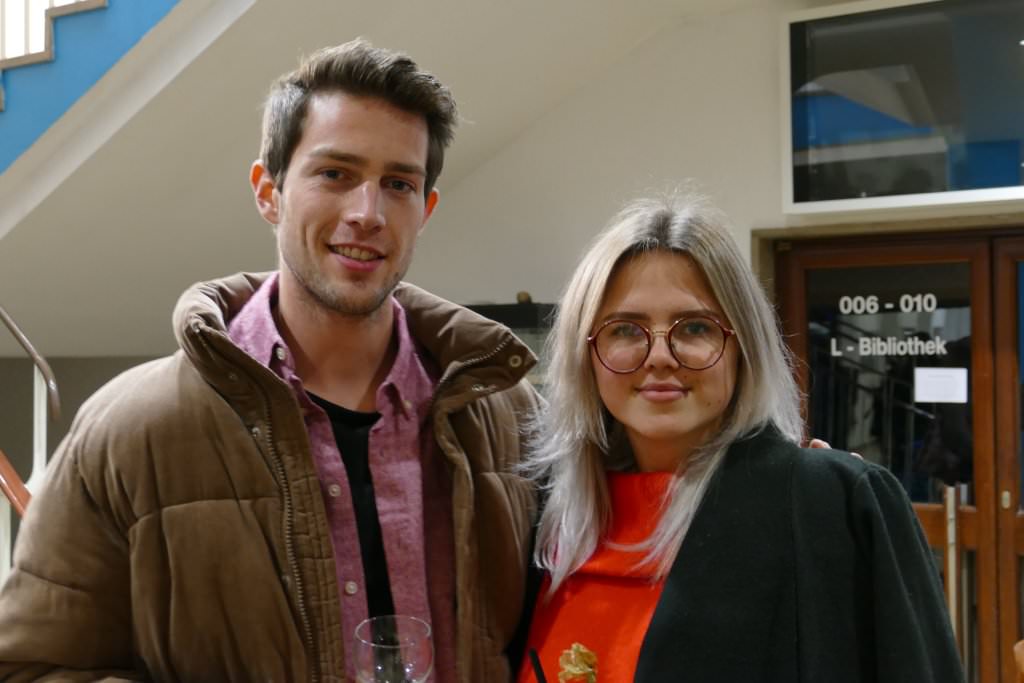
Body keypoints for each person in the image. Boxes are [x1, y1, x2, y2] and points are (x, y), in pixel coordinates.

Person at [0, 40, 543, 682]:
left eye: (398, 184)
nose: (367, 213)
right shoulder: (129, 431)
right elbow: (32, 667)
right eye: (335, 174)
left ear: (424, 211)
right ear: (268, 192)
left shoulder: (510, 416)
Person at [517, 194, 964, 682]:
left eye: (694, 327)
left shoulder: (836, 507)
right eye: (624, 329)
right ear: (585, 354)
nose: (660, 356)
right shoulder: (544, 515)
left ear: (743, 347)